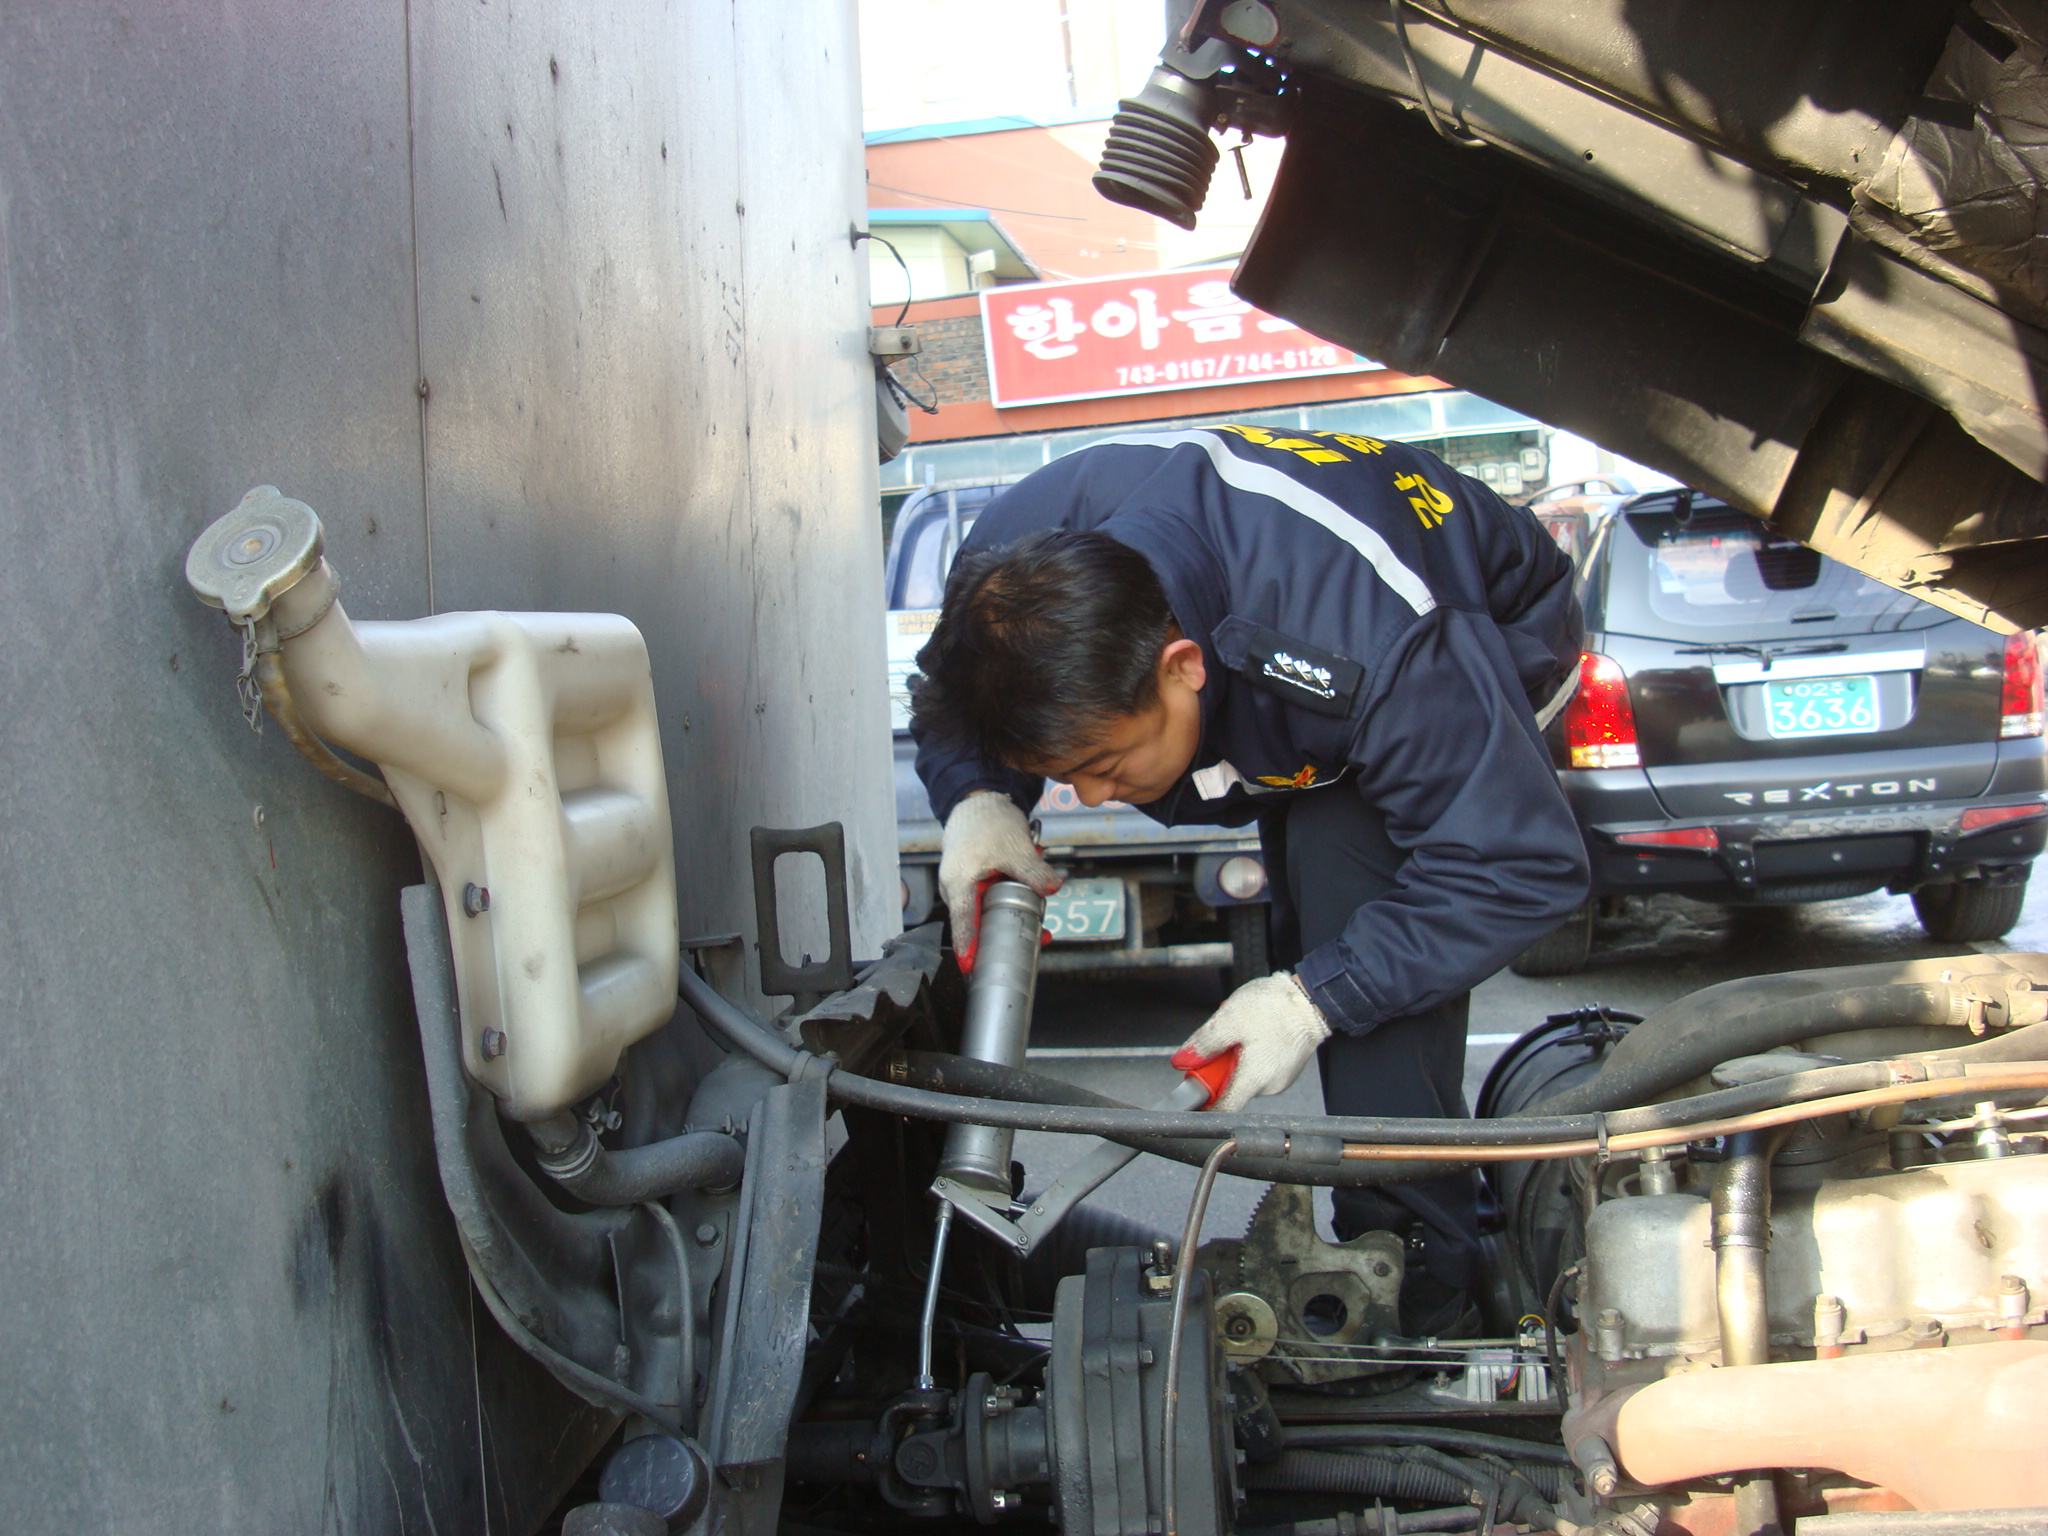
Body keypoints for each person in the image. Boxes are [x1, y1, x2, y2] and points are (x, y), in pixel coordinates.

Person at [907, 424, 1590, 1320]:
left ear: (1182, 666)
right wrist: (979, 796)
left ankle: (1420, 1287)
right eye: (1063, 774)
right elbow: (948, 699)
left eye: (1103, 764)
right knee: (1324, 908)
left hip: (1488, 632)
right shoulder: (1004, 581)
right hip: (1276, 639)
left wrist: (1316, 999)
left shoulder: (1383, 649)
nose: (1089, 797)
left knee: (1353, 904)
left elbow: (1518, 860)